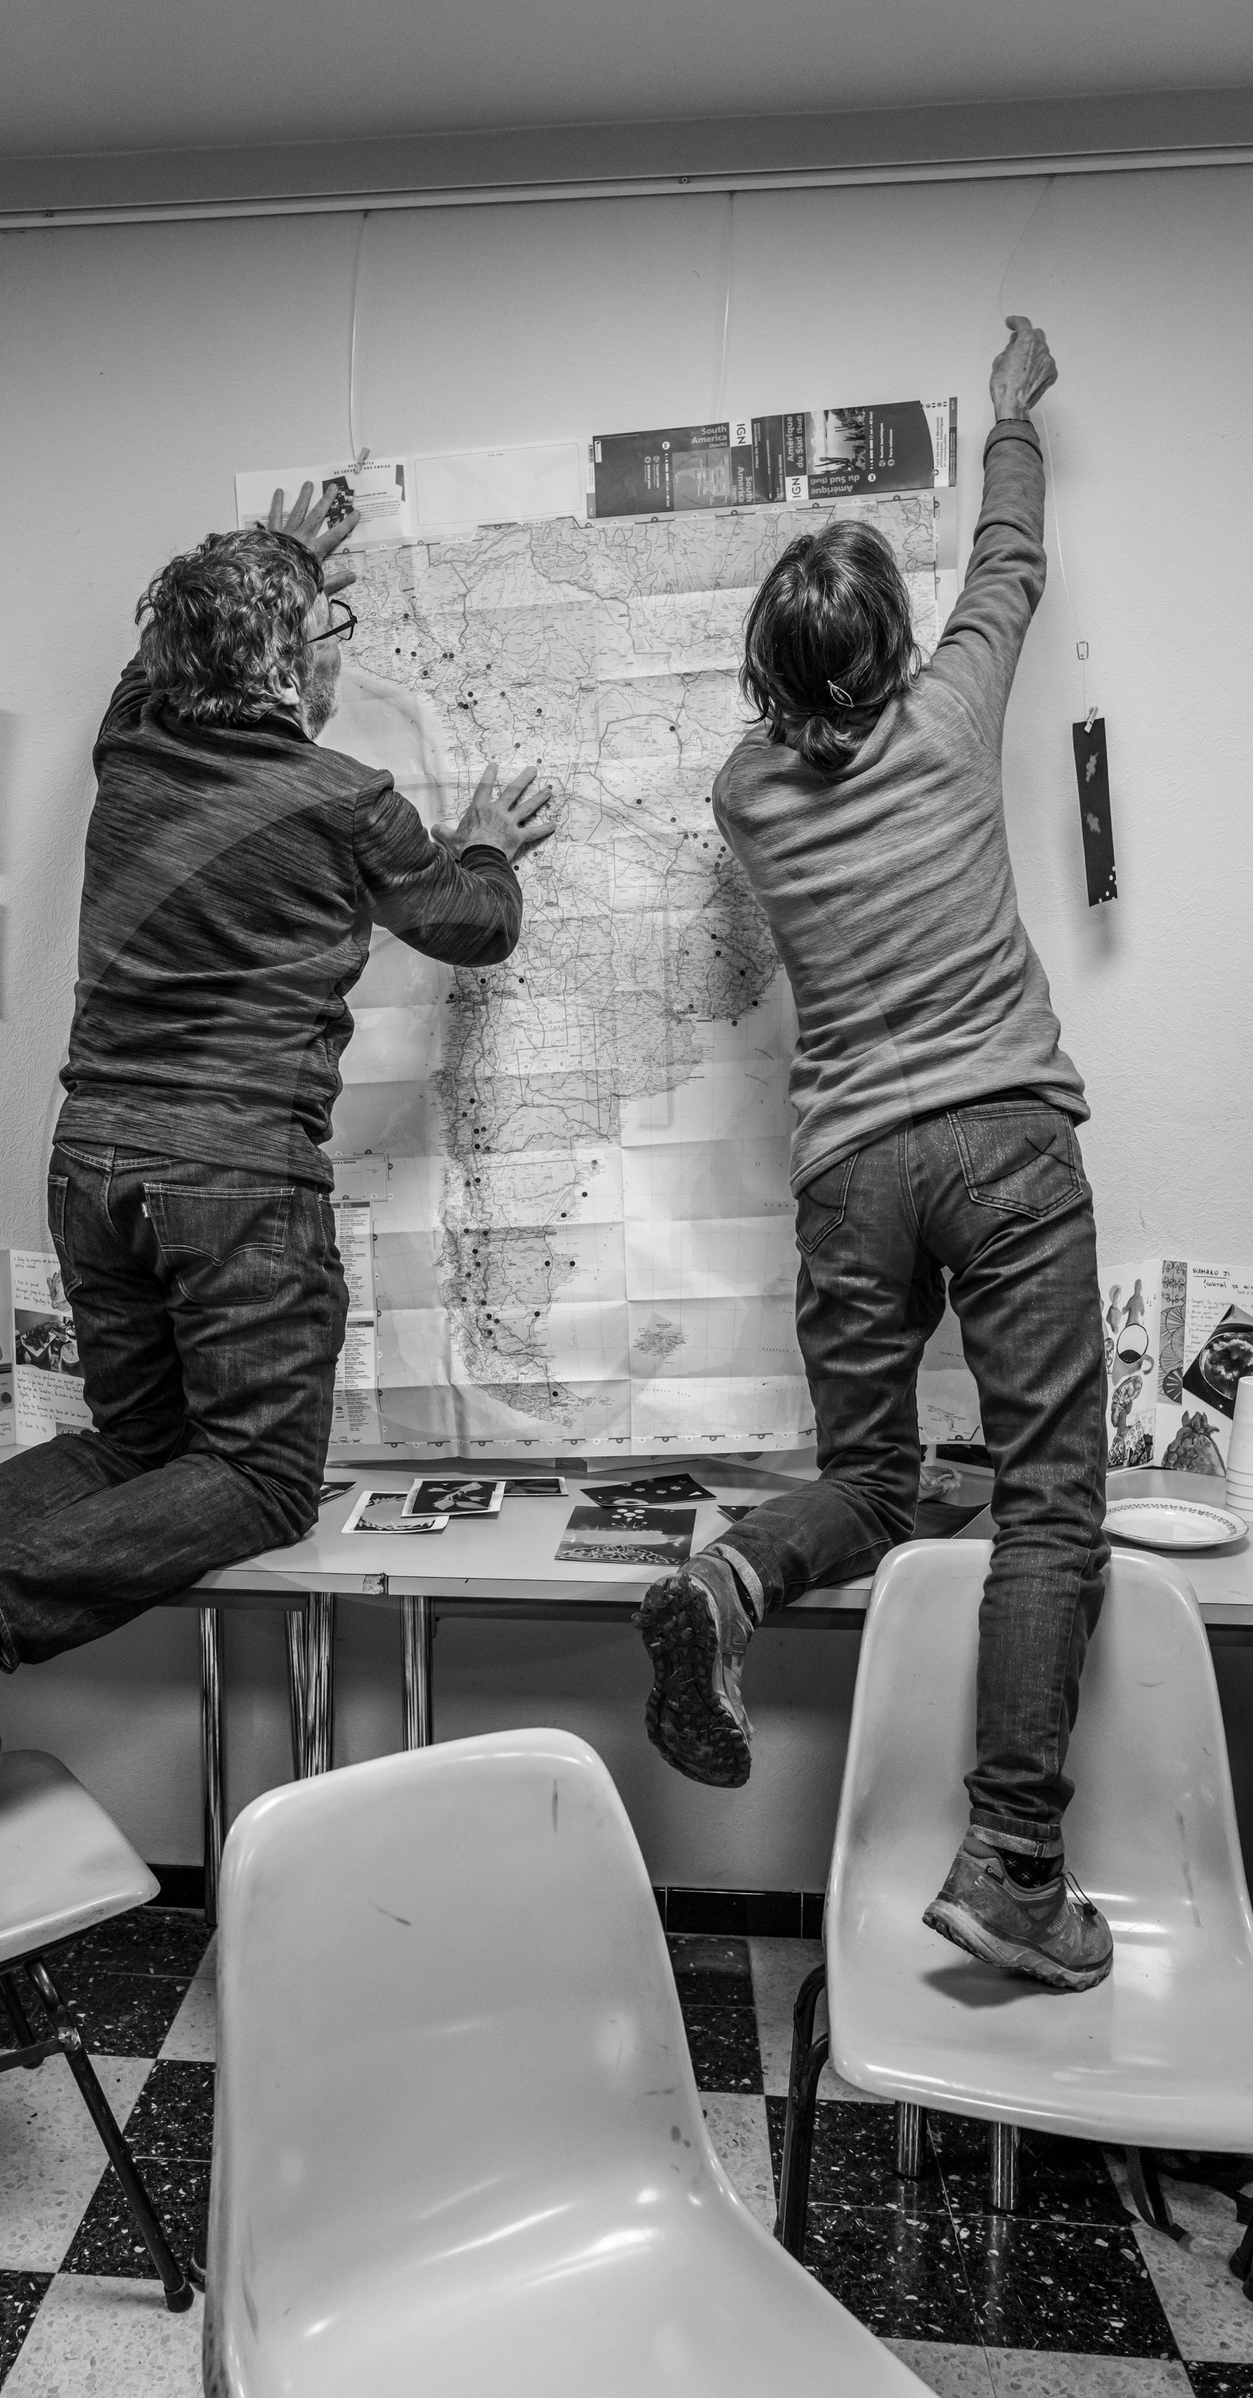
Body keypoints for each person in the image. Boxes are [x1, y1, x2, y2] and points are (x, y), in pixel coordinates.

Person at [0, 487, 554, 1775]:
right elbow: (473, 923)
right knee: (258, 1480)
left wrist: (284, 560)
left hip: (93, 1163)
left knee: (137, 1444)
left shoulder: (131, 748)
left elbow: (156, 657)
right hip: (236, 1182)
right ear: (281, 662)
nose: (338, 650)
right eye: (324, 629)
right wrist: (484, 843)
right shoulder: (344, 800)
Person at [635, 318, 1113, 1993]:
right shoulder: (958, 704)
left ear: (768, 681)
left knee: (873, 1481)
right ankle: (1015, 1869)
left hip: (854, 1170)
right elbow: (1011, 558)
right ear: (903, 652)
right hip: (1001, 1138)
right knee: (1051, 1505)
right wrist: (1008, 415)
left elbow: (802, 715)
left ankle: (734, 1579)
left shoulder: (741, 795)